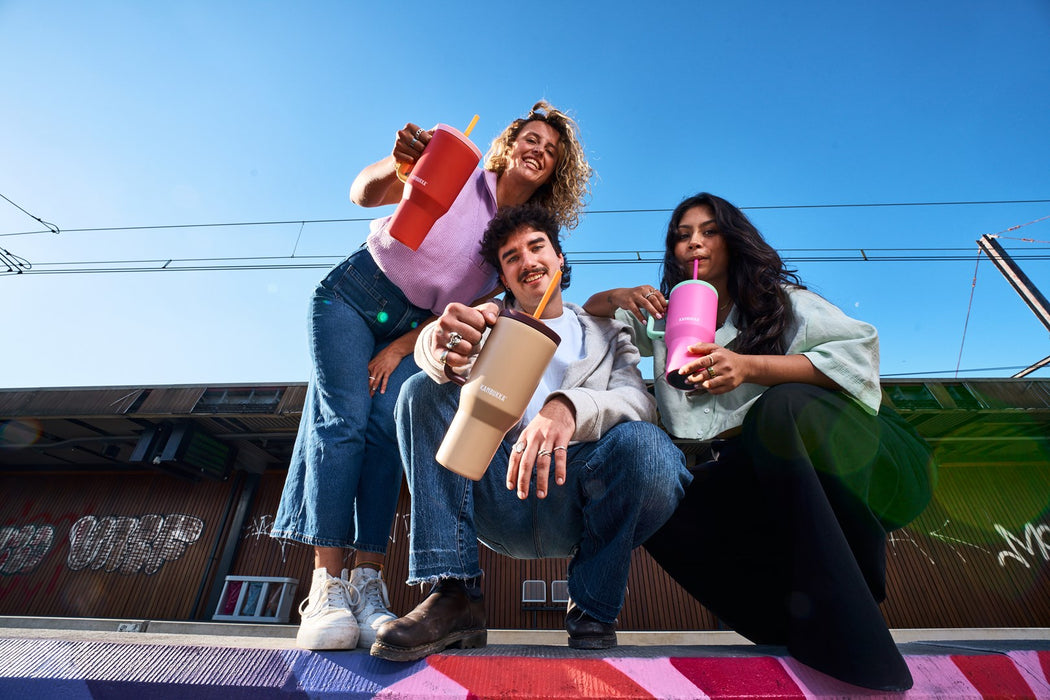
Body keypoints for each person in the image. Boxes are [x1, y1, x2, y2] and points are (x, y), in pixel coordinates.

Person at [270, 101, 592, 651]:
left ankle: (367, 581)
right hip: (353, 296)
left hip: (410, 330)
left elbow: (461, 311)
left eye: (553, 150)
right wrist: (397, 169)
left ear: (558, 172)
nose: (540, 150)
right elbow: (362, 194)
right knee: (342, 422)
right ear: (510, 144)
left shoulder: (515, 242)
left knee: (385, 439)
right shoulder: (462, 169)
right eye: (532, 138)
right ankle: (326, 585)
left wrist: (399, 349)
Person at [583, 193, 936, 691]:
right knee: (653, 488)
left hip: (836, 457)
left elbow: (859, 357)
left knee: (780, 408)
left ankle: (853, 643)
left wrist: (750, 367)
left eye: (708, 231)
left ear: (733, 240)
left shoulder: (781, 303)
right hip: (742, 478)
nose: (694, 243)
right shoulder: (665, 317)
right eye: (682, 235)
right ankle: (773, 620)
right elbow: (589, 318)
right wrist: (617, 296)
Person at [369, 204, 691, 662]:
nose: (528, 261)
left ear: (559, 258)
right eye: (511, 256)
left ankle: (593, 609)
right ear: (503, 276)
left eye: (537, 247)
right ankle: (454, 594)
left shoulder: (606, 332)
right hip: (497, 489)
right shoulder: (487, 320)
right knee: (421, 390)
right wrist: (439, 346)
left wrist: (566, 408)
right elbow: (434, 352)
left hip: (577, 493)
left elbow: (638, 402)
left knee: (650, 447)